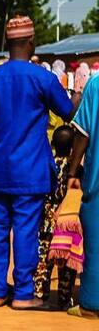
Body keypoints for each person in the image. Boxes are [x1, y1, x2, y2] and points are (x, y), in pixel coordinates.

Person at [0, 17, 74, 309]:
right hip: (31, 168)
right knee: (26, 231)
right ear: (31, 42)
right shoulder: (43, 78)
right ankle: (22, 294)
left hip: (0, 166)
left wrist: (1, 137)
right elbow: (67, 111)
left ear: (7, 43)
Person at [65, 73, 99, 318]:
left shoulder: (97, 85)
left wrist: (72, 170)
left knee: (96, 242)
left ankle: (91, 303)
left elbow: (83, 132)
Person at [32, 124, 76, 306]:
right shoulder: (76, 170)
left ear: (52, 144)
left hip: (46, 220)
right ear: (73, 147)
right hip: (67, 220)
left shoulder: (46, 165)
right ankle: (65, 297)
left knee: (43, 259)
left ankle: (40, 294)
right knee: (67, 261)